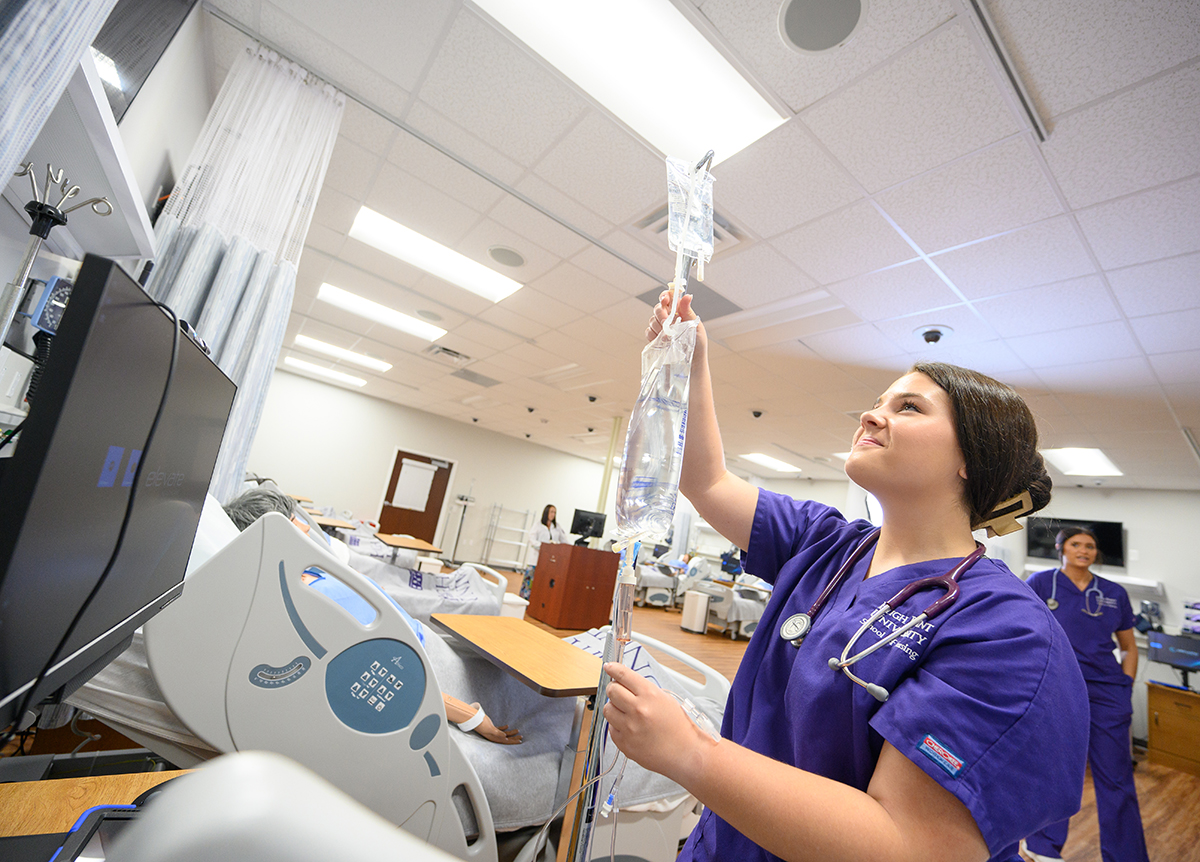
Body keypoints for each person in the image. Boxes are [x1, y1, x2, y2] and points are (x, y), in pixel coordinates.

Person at [601, 290, 1090, 862]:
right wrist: (687, 360)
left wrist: (692, 754)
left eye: (909, 407)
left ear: (971, 458)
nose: (871, 413)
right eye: (878, 400)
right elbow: (707, 481)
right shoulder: (828, 542)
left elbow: (909, 845)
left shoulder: (1005, 632)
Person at [1020, 528, 1148, 862]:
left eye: (1090, 546)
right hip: (1058, 687)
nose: (1084, 550)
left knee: (1117, 777)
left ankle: (1127, 855)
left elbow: (1129, 647)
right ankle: (1043, 848)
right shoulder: (1040, 584)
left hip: (1107, 690)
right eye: (1076, 544)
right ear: (1061, 548)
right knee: (1056, 770)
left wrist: (1125, 685)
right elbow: (1024, 632)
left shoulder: (1113, 592)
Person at [522, 504, 567, 598]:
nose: (553, 514)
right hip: (536, 559)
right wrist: (544, 546)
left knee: (543, 582)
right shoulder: (538, 525)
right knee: (530, 581)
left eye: (554, 512)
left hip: (550, 561)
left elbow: (564, 540)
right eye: (551, 512)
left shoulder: (557, 527)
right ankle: (525, 599)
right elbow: (531, 539)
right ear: (546, 513)